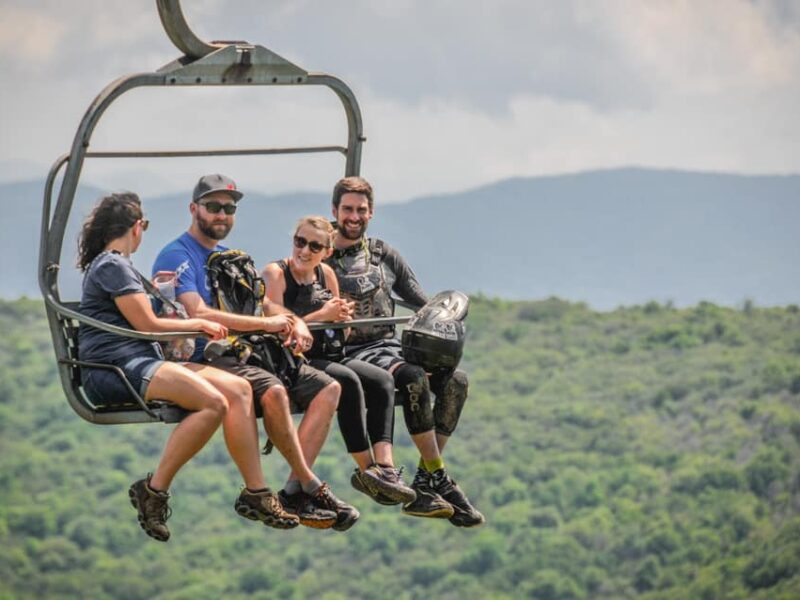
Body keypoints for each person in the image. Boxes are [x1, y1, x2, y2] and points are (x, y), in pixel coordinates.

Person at [77, 192, 299, 542]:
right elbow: (146, 325)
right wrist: (198, 325)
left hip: (141, 360)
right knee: (213, 403)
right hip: (117, 367)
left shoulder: (117, 265)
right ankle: (154, 490)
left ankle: (256, 492)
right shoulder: (112, 266)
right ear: (137, 227)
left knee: (239, 388)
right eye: (144, 227)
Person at [152, 174, 356, 531]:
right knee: (273, 390)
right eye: (213, 207)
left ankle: (296, 488)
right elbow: (197, 313)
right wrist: (266, 326)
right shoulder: (178, 254)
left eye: (228, 209)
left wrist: (295, 322)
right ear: (193, 209)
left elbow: (262, 303)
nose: (222, 215)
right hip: (205, 355)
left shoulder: (222, 257)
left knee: (329, 387)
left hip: (241, 351)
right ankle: (306, 484)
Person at [325, 176, 485, 527]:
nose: (354, 216)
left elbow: (419, 300)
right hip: (352, 351)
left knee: (455, 381)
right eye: (347, 209)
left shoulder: (383, 254)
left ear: (371, 212)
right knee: (412, 378)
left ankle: (426, 478)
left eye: (361, 210)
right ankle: (438, 477)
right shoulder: (321, 255)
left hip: (388, 344)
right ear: (335, 210)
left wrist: (446, 317)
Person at [262, 216, 417, 506]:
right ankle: (366, 468)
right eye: (300, 242)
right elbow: (275, 329)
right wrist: (321, 317)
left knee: (382, 380)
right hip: (294, 360)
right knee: (347, 381)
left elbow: (342, 332)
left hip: (330, 353)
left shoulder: (326, 274)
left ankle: (385, 467)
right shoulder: (277, 274)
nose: (304, 251)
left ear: (327, 252)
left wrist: (343, 319)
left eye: (314, 246)